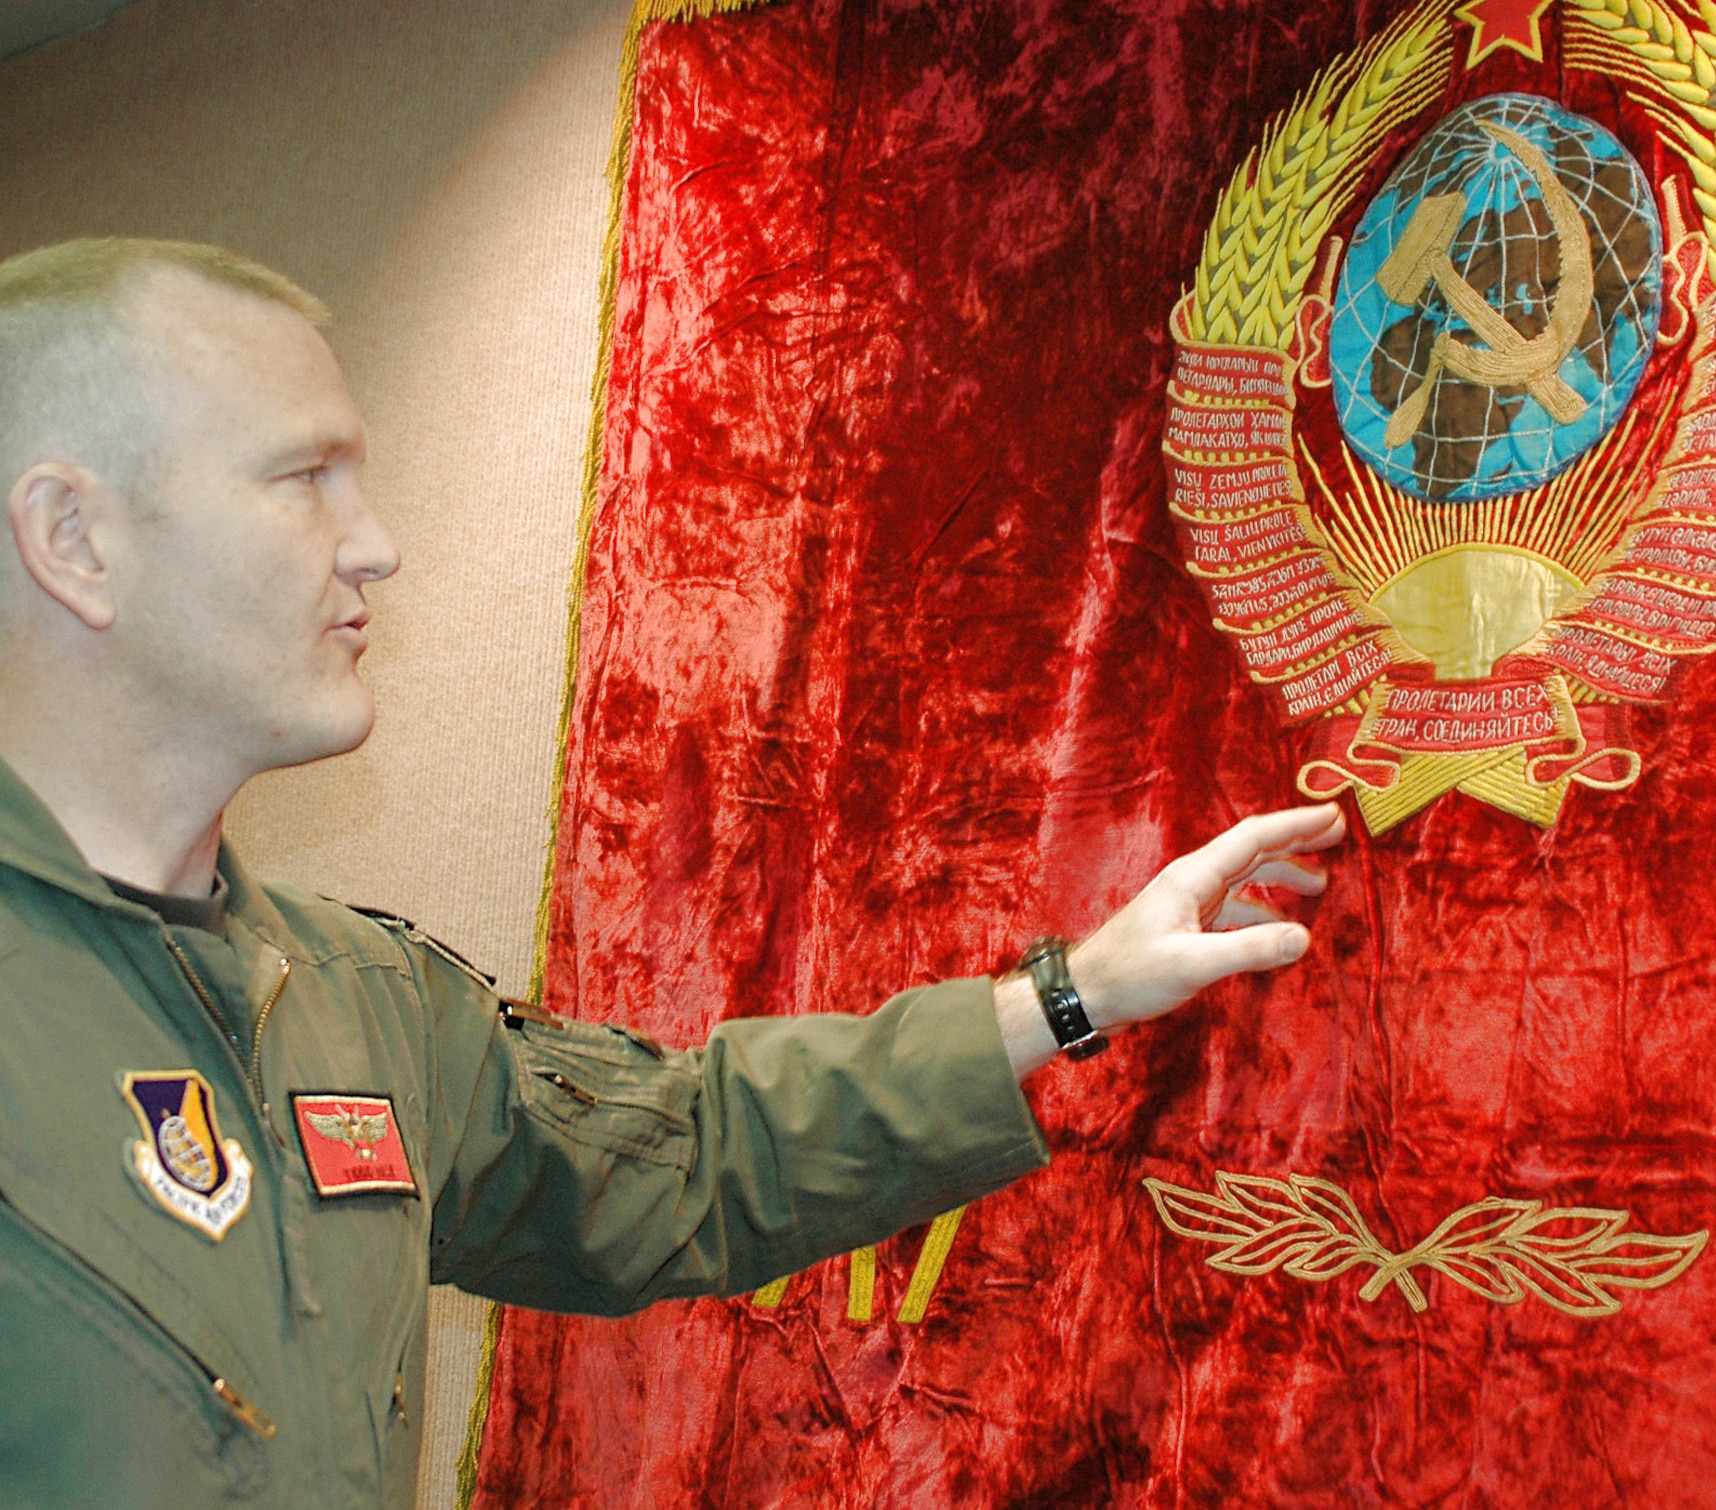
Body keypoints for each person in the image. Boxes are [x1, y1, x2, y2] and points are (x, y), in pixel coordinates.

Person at [0, 238, 1345, 1509]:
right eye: (304, 478)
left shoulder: (359, 998)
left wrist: (1074, 990)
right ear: (76, 539)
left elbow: (689, 1154)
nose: (374, 543)